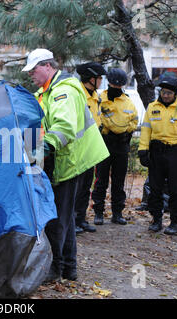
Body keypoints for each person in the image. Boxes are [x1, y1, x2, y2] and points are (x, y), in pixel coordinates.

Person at [22, 49, 109, 282]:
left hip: (72, 160)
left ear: (48, 66)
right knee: (66, 216)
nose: (30, 74)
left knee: (57, 216)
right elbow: (38, 123)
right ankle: (69, 268)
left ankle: (55, 268)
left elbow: (64, 127)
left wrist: (42, 150)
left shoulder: (63, 91)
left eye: (34, 69)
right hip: (68, 158)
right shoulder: (46, 92)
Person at [138, 75, 177, 235]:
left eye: (169, 93)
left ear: (175, 94)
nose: (165, 95)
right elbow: (146, 130)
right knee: (155, 189)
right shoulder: (152, 107)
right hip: (156, 153)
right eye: (163, 92)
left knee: (175, 190)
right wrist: (143, 151)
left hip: (174, 153)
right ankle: (156, 220)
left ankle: (175, 221)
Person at [91, 68, 138, 226]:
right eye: (113, 84)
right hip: (104, 143)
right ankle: (98, 212)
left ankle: (117, 213)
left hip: (121, 144)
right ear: (109, 83)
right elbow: (96, 117)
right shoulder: (99, 99)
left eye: (119, 86)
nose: (116, 87)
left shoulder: (128, 102)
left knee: (119, 181)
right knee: (101, 180)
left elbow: (134, 120)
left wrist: (127, 131)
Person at [74, 62, 107, 233]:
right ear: (91, 78)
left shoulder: (95, 96)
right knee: (76, 187)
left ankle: (81, 219)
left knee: (87, 186)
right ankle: (72, 220)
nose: (101, 81)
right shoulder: (77, 93)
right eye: (100, 78)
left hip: (90, 149)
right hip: (78, 149)